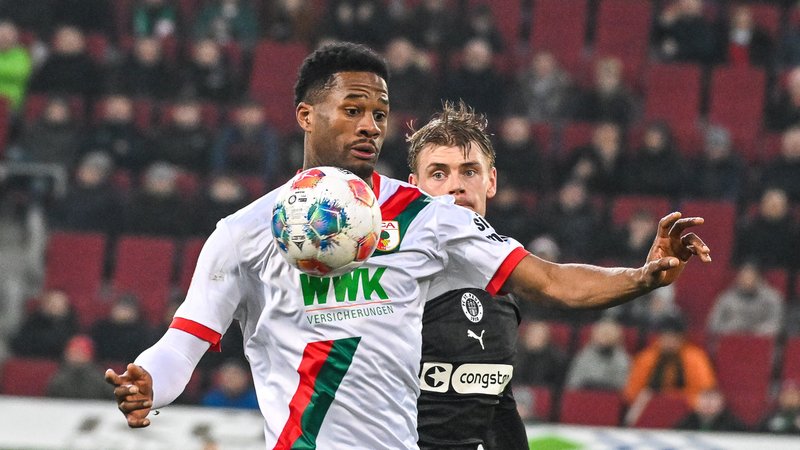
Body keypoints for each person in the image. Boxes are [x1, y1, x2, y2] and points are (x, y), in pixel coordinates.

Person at [106, 42, 710, 448]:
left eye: (380, 112)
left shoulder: (429, 218)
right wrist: (147, 384)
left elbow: (550, 282)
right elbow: (182, 348)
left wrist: (645, 275)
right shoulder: (243, 234)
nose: (370, 124)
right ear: (305, 115)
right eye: (353, 109)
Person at [405, 101, 527, 449]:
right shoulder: (388, 273)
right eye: (439, 174)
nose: (455, 187)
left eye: (469, 171)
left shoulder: (505, 284)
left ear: (492, 181)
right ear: (415, 188)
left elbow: (497, 404)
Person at [623, 316, 716, 414]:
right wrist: (657, 401)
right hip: (650, 410)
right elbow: (631, 393)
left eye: (674, 337)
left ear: (682, 338)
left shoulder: (695, 359)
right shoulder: (646, 358)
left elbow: (704, 393)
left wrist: (674, 401)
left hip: (687, 411)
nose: (669, 342)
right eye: (666, 337)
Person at [706, 261, 785, 337]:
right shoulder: (726, 299)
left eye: (750, 277)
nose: (746, 280)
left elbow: (776, 325)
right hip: (732, 342)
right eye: (743, 276)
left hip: (762, 343)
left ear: (758, 278)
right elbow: (713, 325)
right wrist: (734, 330)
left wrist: (753, 333)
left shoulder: (773, 298)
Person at [565, 319, 631, 391]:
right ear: (594, 336)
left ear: (617, 338)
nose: (605, 337)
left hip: (609, 398)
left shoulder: (623, 360)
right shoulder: (583, 356)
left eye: (609, 334)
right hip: (584, 397)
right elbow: (573, 385)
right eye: (602, 334)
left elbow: (622, 387)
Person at [47, 334, 110, 400]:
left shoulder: (100, 381)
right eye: (74, 352)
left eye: (81, 352)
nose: (77, 356)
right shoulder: (58, 380)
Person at [675, 387, 748, 432]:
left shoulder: (732, 424)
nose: (708, 403)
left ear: (721, 402)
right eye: (705, 398)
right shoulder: (688, 421)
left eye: (712, 399)